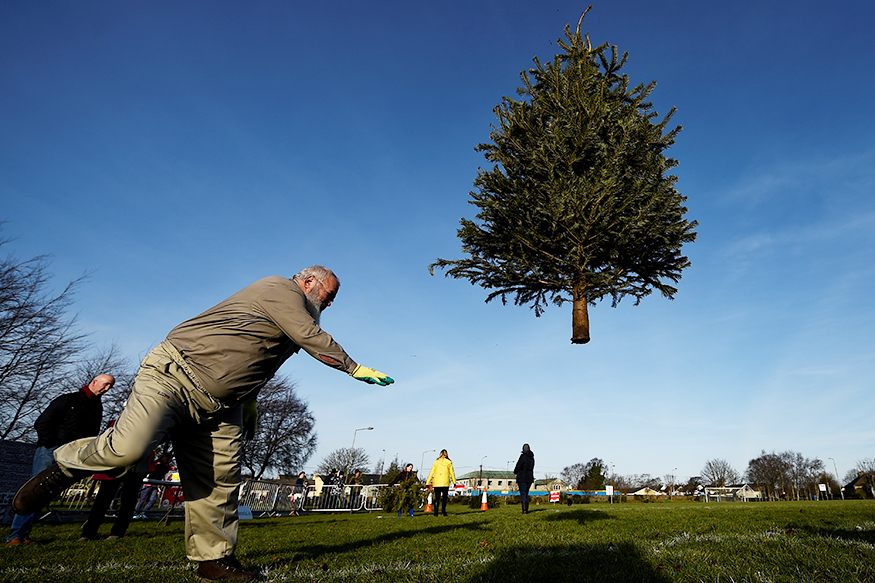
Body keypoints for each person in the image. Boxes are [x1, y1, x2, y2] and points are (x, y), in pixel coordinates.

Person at [13, 267, 393, 581]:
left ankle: (213, 559)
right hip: (176, 376)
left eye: (332, 299)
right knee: (129, 449)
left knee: (219, 479)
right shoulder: (281, 290)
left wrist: (251, 404)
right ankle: (65, 464)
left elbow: (256, 359)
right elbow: (309, 336)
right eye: (328, 293)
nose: (329, 301)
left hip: (221, 405)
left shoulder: (297, 313)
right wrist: (352, 366)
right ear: (307, 281)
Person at [6, 374, 114, 547]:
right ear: (94, 382)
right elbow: (42, 422)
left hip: (72, 455)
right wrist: (51, 444)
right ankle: (15, 536)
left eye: (110, 386)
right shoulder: (67, 399)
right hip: (51, 450)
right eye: (106, 384)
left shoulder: (97, 407)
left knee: (45, 493)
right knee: (34, 491)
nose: (107, 389)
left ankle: (24, 534)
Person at [134, 451, 173, 518]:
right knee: (142, 499)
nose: (170, 460)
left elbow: (169, 469)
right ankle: (136, 513)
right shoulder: (158, 464)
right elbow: (158, 471)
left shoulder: (166, 465)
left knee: (153, 499)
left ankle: (144, 513)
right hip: (148, 484)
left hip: (156, 484)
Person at [426, 450, 456, 517]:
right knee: (444, 498)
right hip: (445, 482)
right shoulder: (449, 462)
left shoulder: (436, 462)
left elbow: (431, 472)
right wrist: (454, 482)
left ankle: (435, 513)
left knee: (437, 498)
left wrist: (427, 482)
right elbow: (452, 473)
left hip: (437, 482)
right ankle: (444, 511)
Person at [513, 443, 535, 514]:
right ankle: (526, 509)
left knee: (523, 494)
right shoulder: (532, 458)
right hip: (529, 477)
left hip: (522, 477)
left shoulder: (523, 457)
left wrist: (515, 472)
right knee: (526, 494)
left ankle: (524, 510)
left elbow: (518, 465)